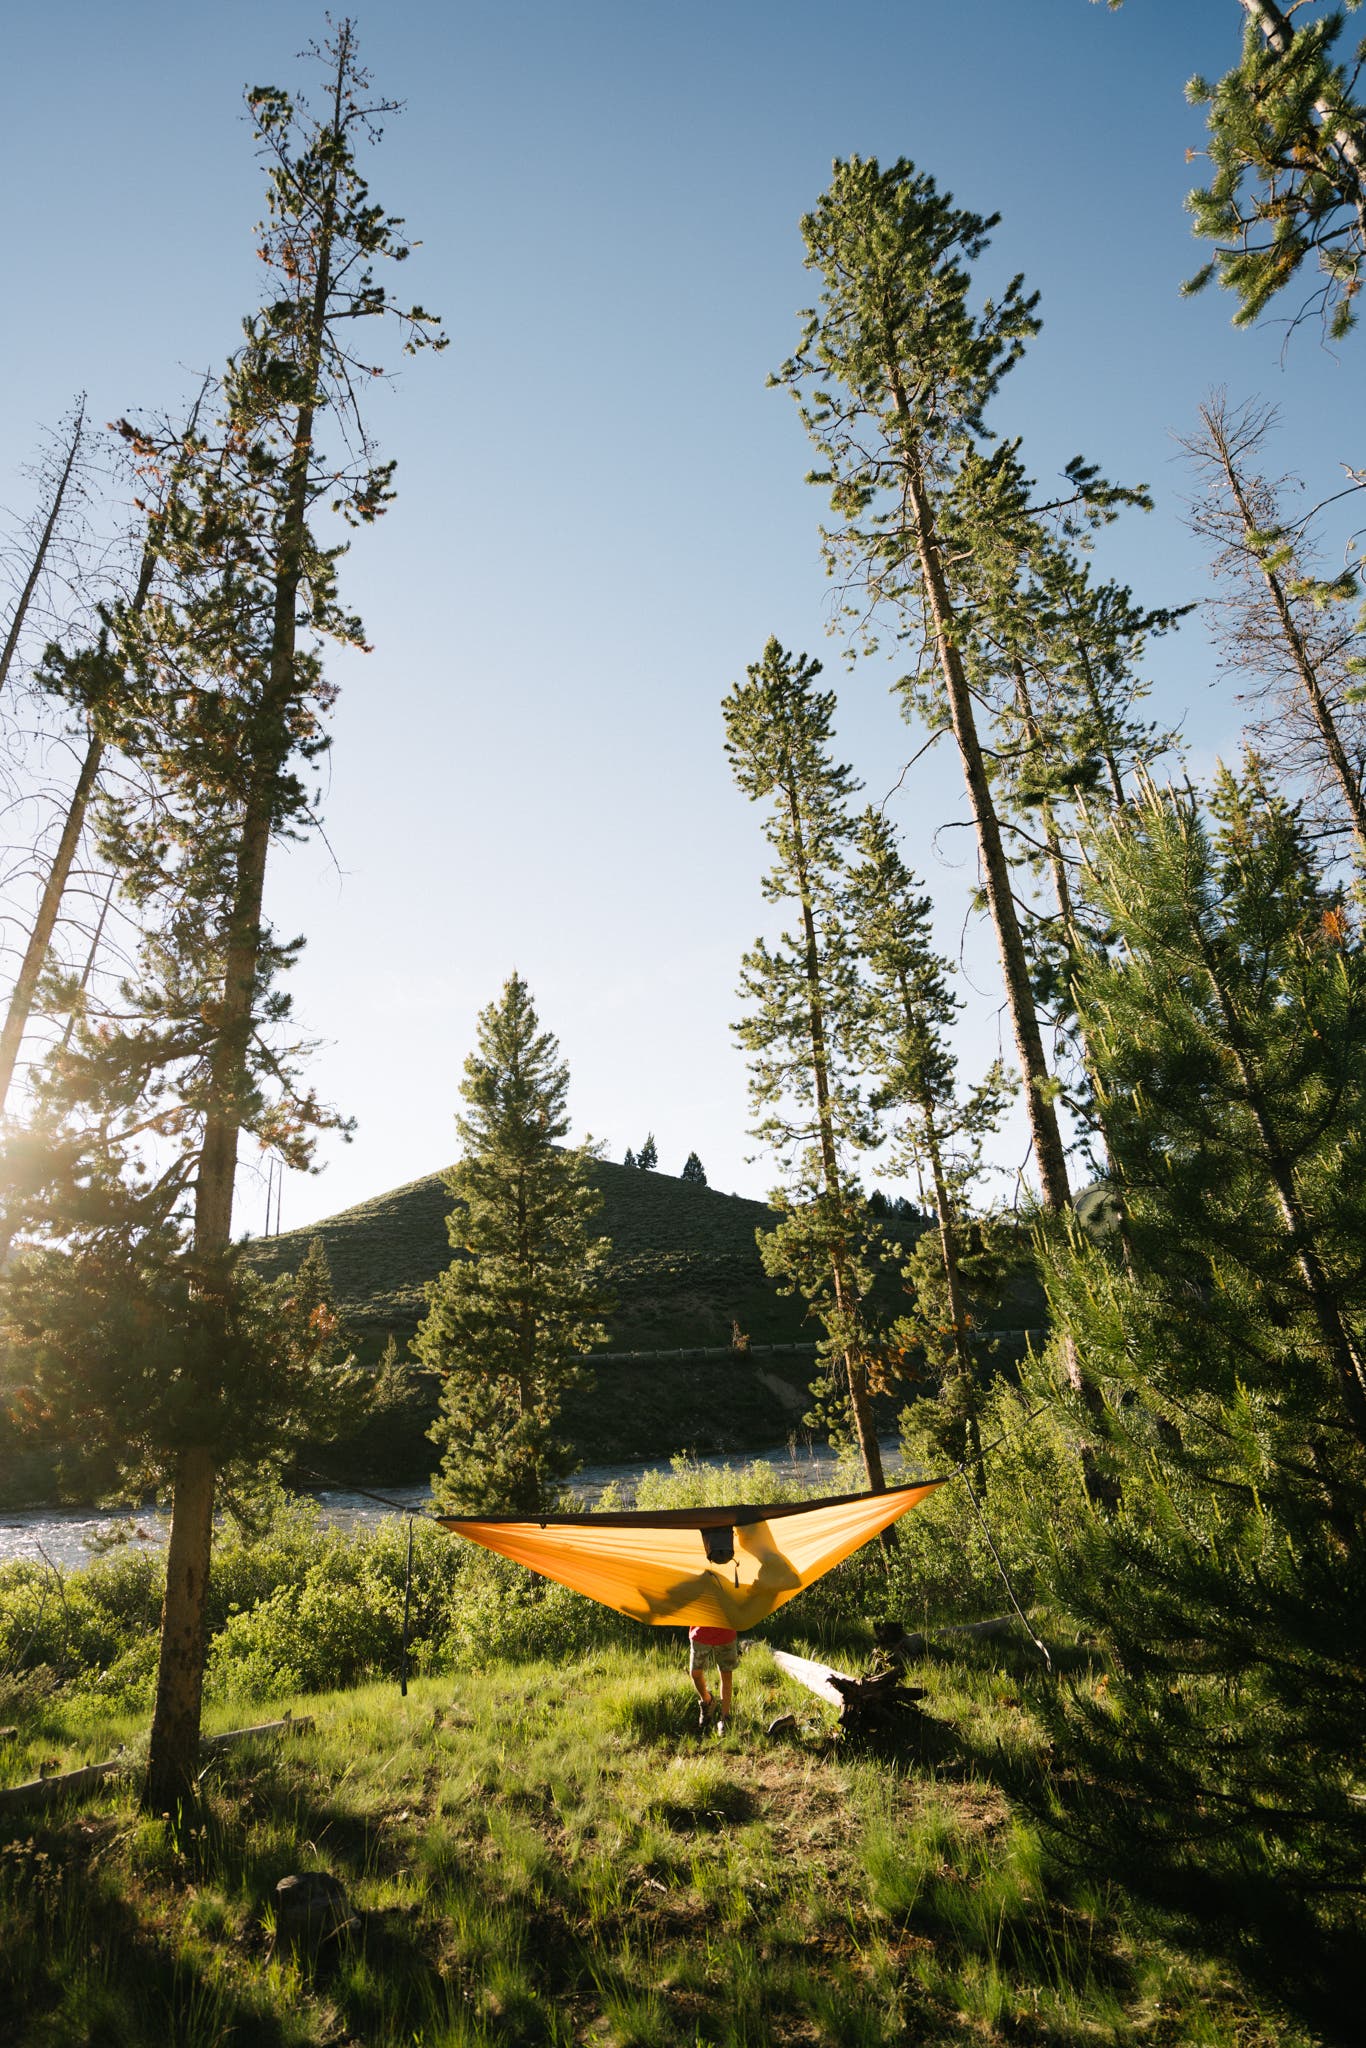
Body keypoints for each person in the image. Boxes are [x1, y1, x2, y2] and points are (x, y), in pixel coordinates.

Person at [689, 1622, 739, 1733]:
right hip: (700, 1631)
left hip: (725, 1632)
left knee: (726, 1675)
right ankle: (707, 1701)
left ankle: (725, 1719)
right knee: (695, 1673)